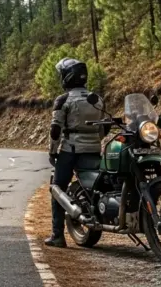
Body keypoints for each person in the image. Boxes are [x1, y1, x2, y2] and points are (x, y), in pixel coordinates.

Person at [44, 57, 105, 248]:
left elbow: (55, 130)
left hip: (71, 150)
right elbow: (104, 128)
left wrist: (52, 152)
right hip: (94, 149)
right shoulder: (97, 98)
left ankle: (57, 235)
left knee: (57, 188)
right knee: (94, 187)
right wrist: (95, 141)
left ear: (67, 77)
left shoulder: (63, 100)